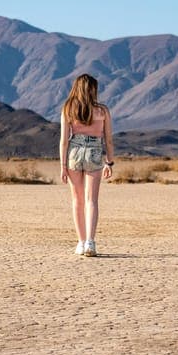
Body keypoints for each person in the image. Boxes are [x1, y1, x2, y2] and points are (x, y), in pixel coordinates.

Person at [59, 73, 115, 257]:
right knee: (92, 200)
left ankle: (81, 242)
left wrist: (62, 165)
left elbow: (64, 141)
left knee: (77, 200)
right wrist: (109, 162)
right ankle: (90, 242)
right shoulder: (102, 110)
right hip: (94, 151)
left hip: (74, 152)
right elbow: (108, 139)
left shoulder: (68, 108)